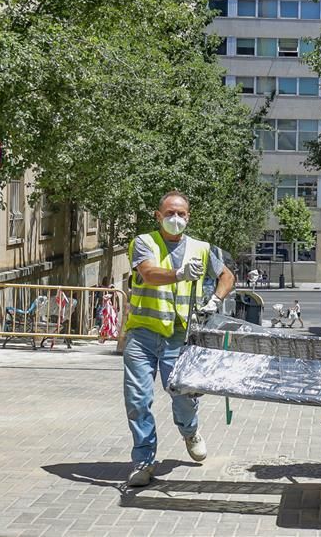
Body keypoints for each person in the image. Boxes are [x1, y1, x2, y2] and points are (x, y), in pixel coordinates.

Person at [122, 190, 235, 487]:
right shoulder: (144, 242)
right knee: (138, 400)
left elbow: (227, 276)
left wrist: (215, 300)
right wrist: (180, 273)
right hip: (143, 335)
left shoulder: (200, 248)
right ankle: (143, 461)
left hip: (178, 337)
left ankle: (190, 431)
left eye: (181, 214)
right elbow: (147, 274)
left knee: (183, 395)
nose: (175, 218)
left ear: (188, 216)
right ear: (158, 216)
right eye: (169, 213)